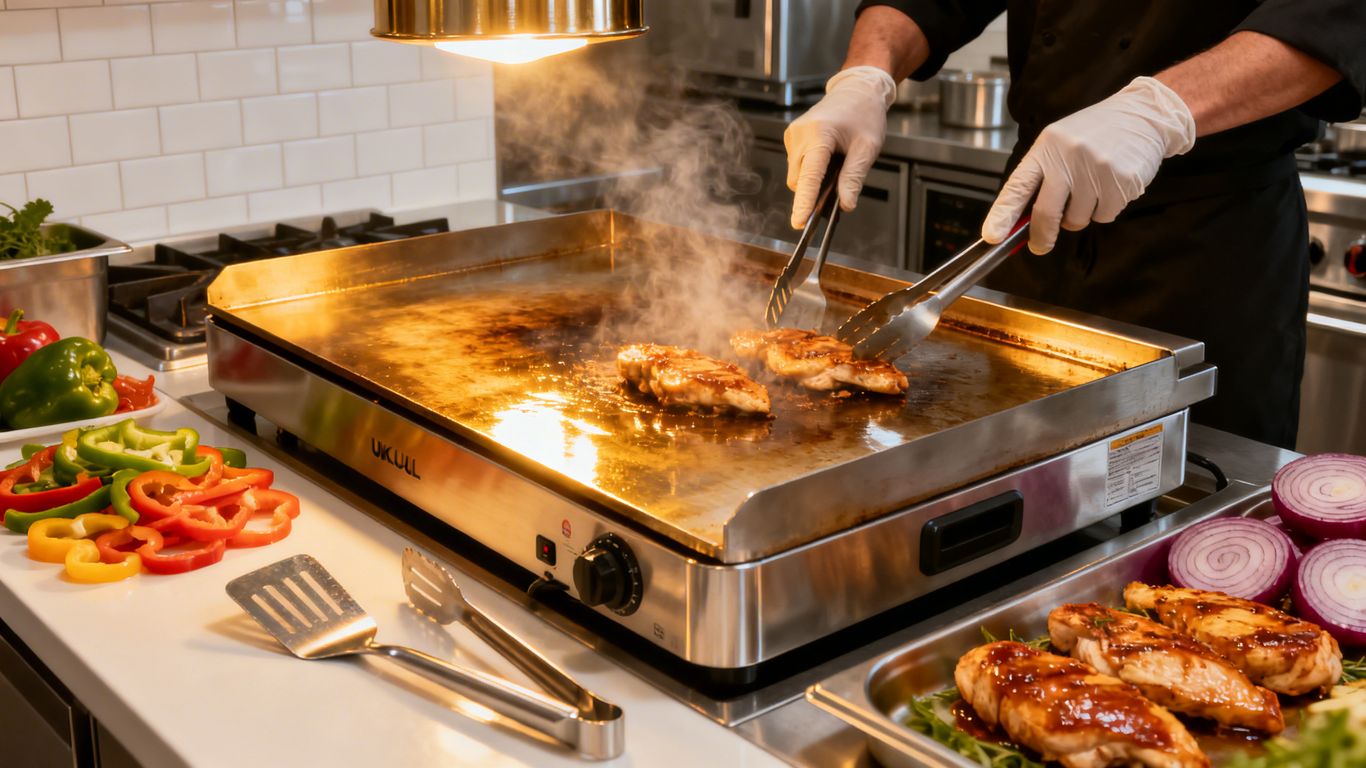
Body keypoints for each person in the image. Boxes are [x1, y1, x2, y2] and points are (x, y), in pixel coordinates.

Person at [784, 2, 1366, 449]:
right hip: (1037, 213)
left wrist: (1160, 111)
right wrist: (867, 75)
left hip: (1207, 249)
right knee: (1005, 471)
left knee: (1185, 505)